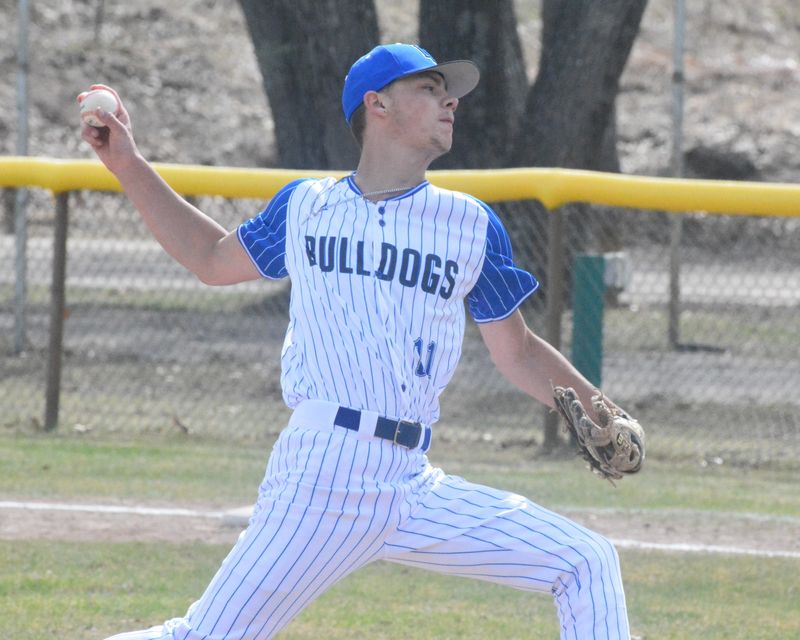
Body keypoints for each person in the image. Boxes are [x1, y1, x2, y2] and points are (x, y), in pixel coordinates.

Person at [81, 42, 631, 640]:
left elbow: (517, 350)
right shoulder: (308, 207)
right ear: (378, 105)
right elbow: (211, 259)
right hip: (325, 469)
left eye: (448, 92)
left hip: (413, 482)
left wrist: (600, 409)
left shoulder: (471, 223)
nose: (449, 100)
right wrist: (128, 165)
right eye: (428, 88)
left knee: (586, 562)